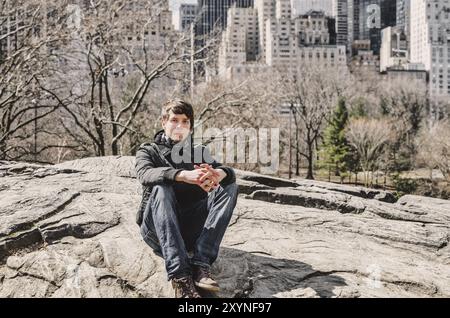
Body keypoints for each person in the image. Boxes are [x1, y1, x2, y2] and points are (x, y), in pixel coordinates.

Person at [135, 99, 238, 298]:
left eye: (185, 121)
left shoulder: (197, 152)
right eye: (174, 120)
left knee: (229, 186)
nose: (180, 126)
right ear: (163, 122)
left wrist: (219, 173)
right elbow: (145, 174)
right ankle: (180, 276)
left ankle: (201, 264)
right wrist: (182, 175)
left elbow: (226, 171)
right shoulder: (148, 150)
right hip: (157, 230)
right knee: (160, 188)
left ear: (190, 126)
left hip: (190, 231)